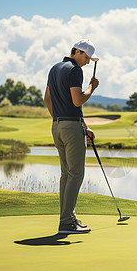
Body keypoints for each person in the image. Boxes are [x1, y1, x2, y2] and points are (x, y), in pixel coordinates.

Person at [44, 39, 99, 234]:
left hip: (57, 126)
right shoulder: (76, 70)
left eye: (90, 59)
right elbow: (77, 101)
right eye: (85, 57)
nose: (87, 62)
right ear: (76, 52)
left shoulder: (54, 68)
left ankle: (69, 219)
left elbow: (47, 99)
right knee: (76, 174)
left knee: (66, 174)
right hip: (70, 128)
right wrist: (92, 87)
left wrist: (66, 121)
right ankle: (66, 222)